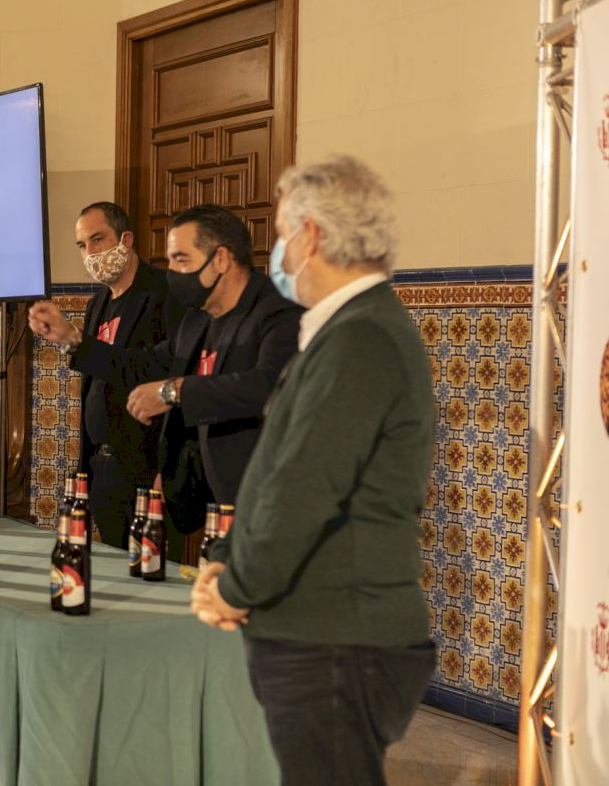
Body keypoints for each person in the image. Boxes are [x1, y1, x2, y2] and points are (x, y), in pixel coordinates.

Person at [191, 156, 437, 785]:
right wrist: (224, 559)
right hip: (321, 635)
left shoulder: (362, 337)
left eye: (281, 234)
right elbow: (278, 470)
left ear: (312, 236)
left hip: (337, 639)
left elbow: (302, 490)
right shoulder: (345, 329)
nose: (277, 253)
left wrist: (235, 587)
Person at [31, 204, 301, 561]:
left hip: (266, 499)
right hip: (214, 505)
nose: (172, 273)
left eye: (181, 260)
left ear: (220, 259)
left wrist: (174, 391)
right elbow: (142, 363)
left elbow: (269, 386)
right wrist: (73, 340)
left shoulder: (277, 312)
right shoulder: (198, 320)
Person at [26, 202, 182, 548]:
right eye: (82, 245)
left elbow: (157, 370)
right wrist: (85, 470)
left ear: (126, 239)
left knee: (149, 572)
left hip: (148, 468)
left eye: (98, 239)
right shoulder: (97, 303)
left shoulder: (164, 292)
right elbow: (95, 380)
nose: (91, 253)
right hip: (104, 469)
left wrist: (166, 471)